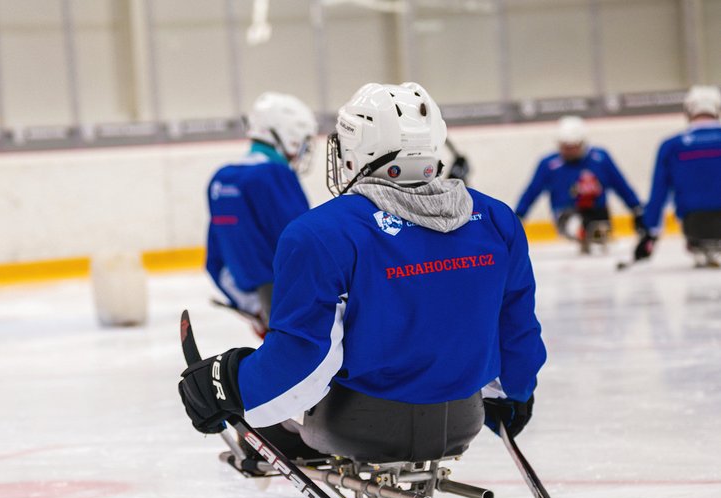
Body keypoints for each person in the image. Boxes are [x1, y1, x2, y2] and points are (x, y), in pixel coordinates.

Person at [179, 82, 547, 467]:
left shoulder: (321, 233)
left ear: (355, 148)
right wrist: (516, 392)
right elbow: (516, 330)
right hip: (461, 422)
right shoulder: (497, 220)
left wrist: (229, 387)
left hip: (358, 427)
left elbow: (302, 365)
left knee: (277, 401)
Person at [205, 92, 317, 333]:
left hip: (258, 306)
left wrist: (252, 305)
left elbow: (215, 260)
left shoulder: (221, 179)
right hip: (291, 310)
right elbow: (304, 247)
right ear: (290, 134)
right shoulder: (274, 176)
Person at [515, 115, 643, 252]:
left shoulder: (600, 158)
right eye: (565, 147)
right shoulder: (549, 164)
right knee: (576, 224)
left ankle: (596, 233)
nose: (568, 151)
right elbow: (531, 192)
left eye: (572, 147)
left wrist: (636, 208)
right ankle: (586, 233)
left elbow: (620, 184)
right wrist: (517, 218)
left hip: (598, 212)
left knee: (599, 227)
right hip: (566, 214)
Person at [635, 85, 721, 267]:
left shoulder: (671, 145)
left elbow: (659, 192)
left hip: (694, 225)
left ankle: (698, 244)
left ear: (688, 110)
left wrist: (650, 235)